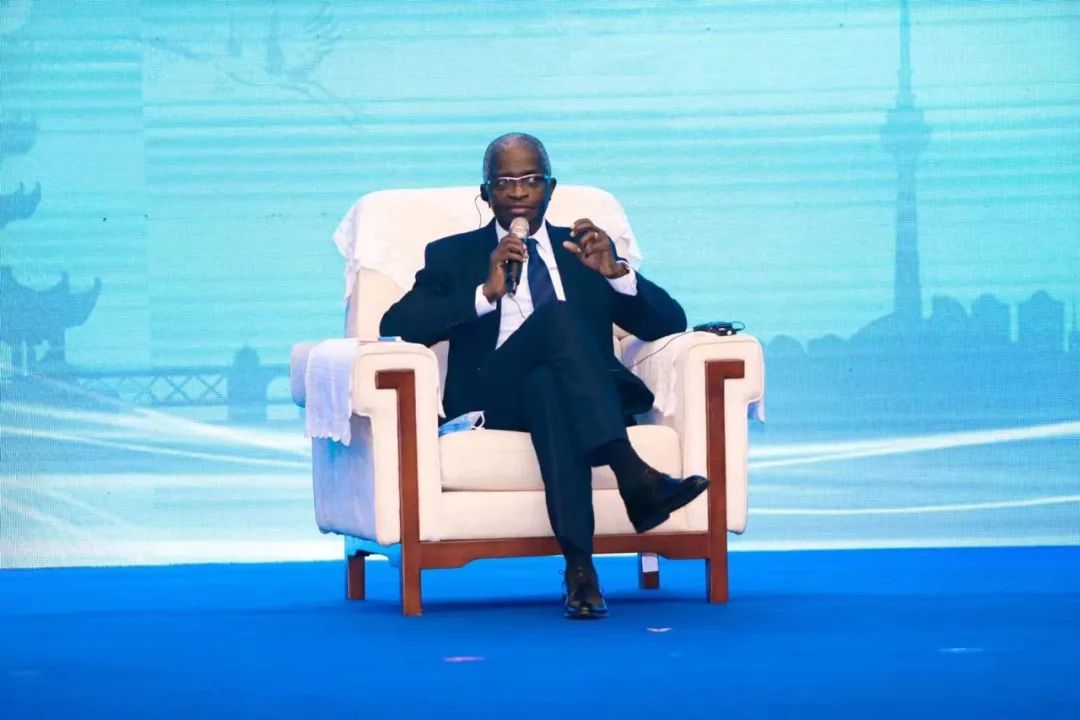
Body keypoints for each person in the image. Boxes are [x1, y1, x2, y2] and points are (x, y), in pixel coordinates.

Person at [380, 133, 708, 619]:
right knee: (558, 318)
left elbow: (668, 322)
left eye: (531, 180)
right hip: (491, 396)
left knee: (549, 387)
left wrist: (616, 273)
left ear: (551, 188)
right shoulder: (453, 254)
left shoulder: (584, 251)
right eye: (504, 182)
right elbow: (396, 326)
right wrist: (483, 294)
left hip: (570, 396)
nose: (518, 192)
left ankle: (581, 572)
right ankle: (632, 473)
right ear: (485, 193)